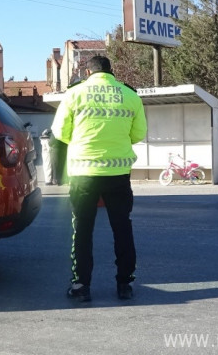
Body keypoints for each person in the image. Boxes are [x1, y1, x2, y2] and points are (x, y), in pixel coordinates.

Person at [51, 55, 147, 302]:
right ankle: (125, 284)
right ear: (110, 71)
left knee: (82, 229)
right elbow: (138, 134)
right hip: (118, 174)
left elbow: (60, 132)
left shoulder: (74, 94)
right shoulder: (130, 95)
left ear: (88, 72)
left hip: (84, 174)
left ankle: (81, 286)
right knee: (122, 228)